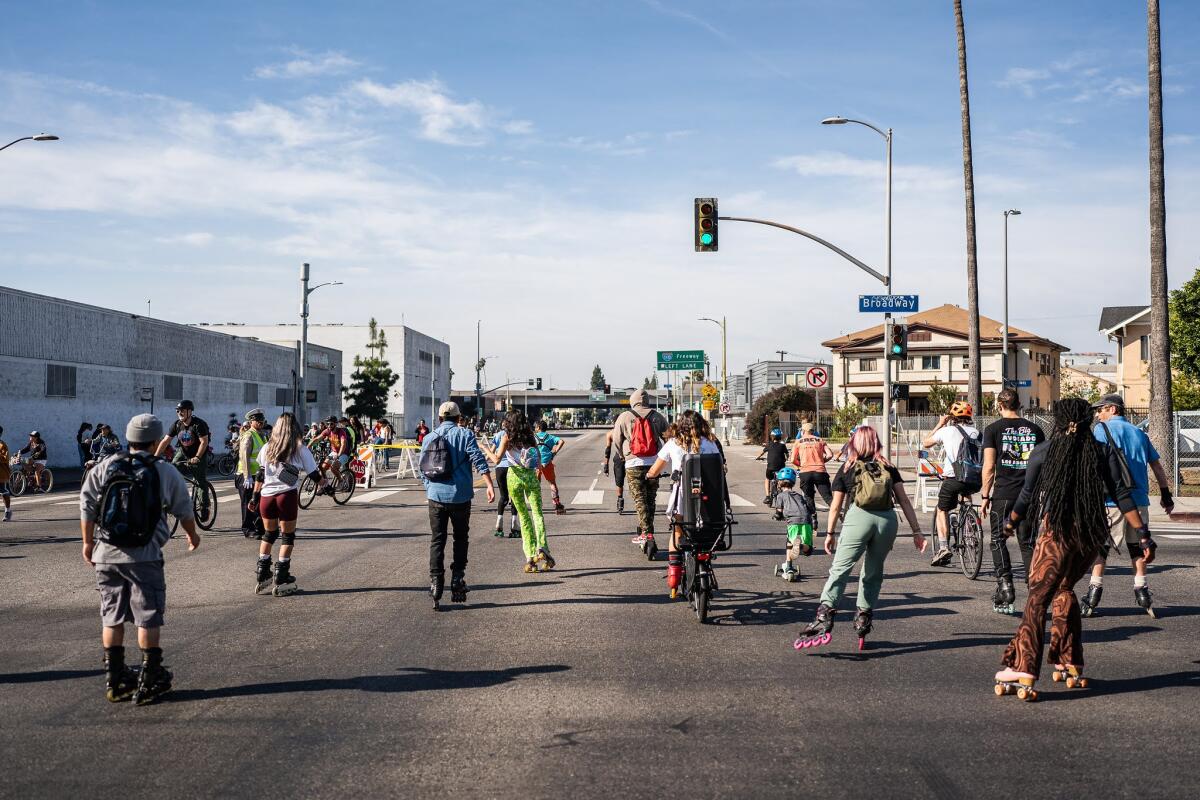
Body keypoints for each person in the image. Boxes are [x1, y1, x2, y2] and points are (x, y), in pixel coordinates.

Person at [994, 399, 1149, 696]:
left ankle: (1023, 666)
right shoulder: (1102, 452)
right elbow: (1121, 494)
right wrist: (1143, 535)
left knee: (1038, 598)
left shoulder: (1043, 452)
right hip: (1091, 535)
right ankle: (1069, 660)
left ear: (1059, 420)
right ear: (1088, 421)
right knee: (1065, 590)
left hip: (1058, 534)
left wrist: (1010, 523)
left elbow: (1026, 496)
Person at [80, 413, 200, 705]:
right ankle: (150, 677)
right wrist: (192, 535)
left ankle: (116, 679)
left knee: (112, 616)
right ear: (157, 441)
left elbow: (87, 503)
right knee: (147, 616)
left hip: (107, 552)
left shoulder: (106, 466)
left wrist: (87, 543)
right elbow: (183, 508)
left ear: (128, 438)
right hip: (144, 554)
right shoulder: (163, 470)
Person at [795, 425, 927, 649]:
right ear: (876, 443)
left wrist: (830, 533)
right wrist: (917, 532)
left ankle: (824, 616)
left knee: (841, 569)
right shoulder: (888, 467)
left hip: (859, 518)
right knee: (873, 571)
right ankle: (863, 617)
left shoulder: (848, 467)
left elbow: (836, 505)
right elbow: (904, 500)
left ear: (854, 443)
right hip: (887, 521)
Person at [1083, 393, 1174, 617]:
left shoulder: (1100, 431)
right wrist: (1165, 494)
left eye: (1101, 409)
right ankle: (1142, 589)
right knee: (1137, 546)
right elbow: (1157, 467)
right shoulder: (1139, 434)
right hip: (1139, 499)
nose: (1098, 414)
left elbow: (1094, 464)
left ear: (1113, 409)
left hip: (1111, 499)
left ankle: (1094, 591)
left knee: (1102, 547)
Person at [420, 402, 496, 607]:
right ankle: (457, 578)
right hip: (460, 496)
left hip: (435, 496)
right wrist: (489, 484)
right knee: (461, 538)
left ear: (439, 418)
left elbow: (422, 468)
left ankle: (436, 582)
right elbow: (478, 459)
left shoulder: (428, 437)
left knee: (437, 540)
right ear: (459, 418)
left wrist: (430, 487)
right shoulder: (465, 435)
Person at [980, 389, 1046, 614]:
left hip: (1004, 494)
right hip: (1029, 495)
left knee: (998, 540)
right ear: (1020, 405)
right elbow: (1043, 463)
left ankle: (1005, 585)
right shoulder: (1036, 430)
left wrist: (985, 495)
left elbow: (989, 466)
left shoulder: (992, 430)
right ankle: (1033, 591)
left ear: (1000, 405)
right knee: (1027, 543)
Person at [646, 411, 723, 596]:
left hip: (683, 497)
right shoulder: (711, 443)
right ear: (701, 424)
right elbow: (721, 466)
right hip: (709, 497)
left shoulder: (673, 443)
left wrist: (649, 476)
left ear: (680, 425)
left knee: (677, 529)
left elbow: (655, 469)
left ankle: (674, 572)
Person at [249, 412, 322, 596]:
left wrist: (254, 498)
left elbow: (260, 474)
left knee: (269, 534)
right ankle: (281, 577)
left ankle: (262, 573)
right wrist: (326, 486)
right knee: (287, 537)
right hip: (286, 496)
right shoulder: (299, 448)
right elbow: (314, 475)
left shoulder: (267, 447)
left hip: (266, 497)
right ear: (294, 428)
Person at [483, 410, 553, 573]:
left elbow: (496, 459)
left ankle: (530, 558)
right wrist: (538, 470)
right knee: (537, 513)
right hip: (530, 477)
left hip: (514, 477)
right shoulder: (530, 435)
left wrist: (484, 448)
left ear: (508, 422)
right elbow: (538, 457)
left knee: (524, 517)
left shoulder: (506, 437)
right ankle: (542, 546)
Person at [922, 402, 982, 567]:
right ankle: (970, 528)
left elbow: (925, 443)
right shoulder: (977, 432)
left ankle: (943, 548)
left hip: (953, 478)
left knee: (942, 509)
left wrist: (940, 424)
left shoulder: (947, 431)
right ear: (969, 417)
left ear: (952, 417)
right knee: (966, 494)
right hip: (975, 479)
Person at [611, 389, 669, 551]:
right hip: (653, 464)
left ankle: (647, 534)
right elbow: (669, 438)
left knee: (639, 500)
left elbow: (616, 440)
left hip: (633, 463)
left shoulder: (624, 416)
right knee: (651, 499)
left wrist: (623, 456)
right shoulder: (657, 416)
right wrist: (663, 456)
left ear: (632, 400)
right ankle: (648, 531)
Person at [155, 400, 211, 512]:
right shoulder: (177, 424)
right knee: (171, 472)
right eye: (178, 411)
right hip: (183, 452)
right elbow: (166, 441)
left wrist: (197, 457)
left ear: (189, 412)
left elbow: (204, 442)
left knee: (200, 481)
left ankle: (205, 507)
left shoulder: (198, 424)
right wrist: (155, 456)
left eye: (182, 411)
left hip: (198, 454)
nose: (179, 413)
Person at [772, 466, 816, 581]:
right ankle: (801, 547)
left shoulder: (780, 496)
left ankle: (789, 567)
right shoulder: (799, 496)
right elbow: (808, 507)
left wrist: (777, 516)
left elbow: (779, 512)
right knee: (808, 550)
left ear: (779, 482)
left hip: (793, 521)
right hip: (806, 520)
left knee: (789, 543)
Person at [792, 422, 834, 522]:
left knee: (808, 497)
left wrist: (800, 465)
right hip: (820, 472)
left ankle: (813, 518)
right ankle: (839, 514)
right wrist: (822, 462)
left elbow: (793, 459)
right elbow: (830, 455)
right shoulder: (820, 440)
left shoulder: (798, 442)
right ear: (813, 431)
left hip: (805, 472)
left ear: (803, 431)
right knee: (828, 497)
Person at [237, 409, 268, 538]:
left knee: (259, 502)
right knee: (247, 502)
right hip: (247, 476)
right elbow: (244, 456)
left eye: (262, 420)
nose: (260, 423)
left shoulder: (263, 435)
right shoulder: (249, 435)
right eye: (257, 420)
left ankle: (260, 527)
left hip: (259, 475)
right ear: (251, 422)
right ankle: (247, 528)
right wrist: (247, 476)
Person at [488, 424, 520, 538]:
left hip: (500, 468)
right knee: (515, 496)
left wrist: (486, 453)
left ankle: (499, 524)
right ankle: (514, 525)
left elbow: (492, 452)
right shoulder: (516, 435)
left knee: (503, 496)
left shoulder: (498, 435)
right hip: (513, 467)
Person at [534, 419, 566, 515]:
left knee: (536, 485)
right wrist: (554, 452)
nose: (535, 429)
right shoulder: (550, 437)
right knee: (552, 483)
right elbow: (561, 441)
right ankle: (557, 505)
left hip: (536, 464)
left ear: (539, 427)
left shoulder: (533, 437)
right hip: (547, 463)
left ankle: (537, 505)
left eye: (536, 427)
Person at [310, 416, 351, 482]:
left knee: (333, 468)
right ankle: (325, 486)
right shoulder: (327, 431)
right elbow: (317, 439)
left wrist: (338, 455)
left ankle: (341, 481)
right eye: (327, 424)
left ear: (336, 424)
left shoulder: (341, 432)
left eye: (331, 424)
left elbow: (343, 444)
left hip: (344, 453)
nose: (329, 425)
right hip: (334, 452)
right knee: (322, 468)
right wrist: (307, 447)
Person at [757, 428, 789, 504]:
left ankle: (768, 496)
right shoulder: (782, 445)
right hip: (781, 466)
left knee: (767, 479)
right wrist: (786, 459)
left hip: (771, 467)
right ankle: (781, 490)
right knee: (781, 479)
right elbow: (787, 455)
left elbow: (761, 453)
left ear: (772, 437)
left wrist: (758, 457)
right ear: (780, 437)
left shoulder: (769, 445)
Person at [602, 428, 626, 514]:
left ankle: (620, 502)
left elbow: (608, 451)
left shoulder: (610, 433)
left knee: (619, 482)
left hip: (622, 458)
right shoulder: (629, 430)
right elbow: (607, 451)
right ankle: (620, 501)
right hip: (629, 457)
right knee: (621, 482)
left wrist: (606, 465)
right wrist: (606, 465)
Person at [0, 425, 11, 521]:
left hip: (1, 472)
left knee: (3, 491)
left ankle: (8, 511)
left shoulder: (3, 445)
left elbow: (4, 458)